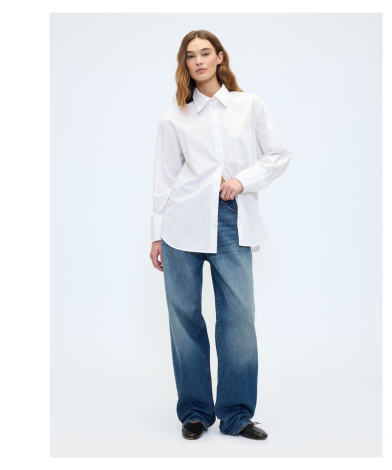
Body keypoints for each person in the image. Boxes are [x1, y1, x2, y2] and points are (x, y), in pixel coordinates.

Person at [149, 30, 291, 440]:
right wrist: (157, 235)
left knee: (238, 319)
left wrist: (243, 181)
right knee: (184, 318)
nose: (198, 61)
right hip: (182, 224)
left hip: (231, 220)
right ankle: (195, 412)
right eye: (190, 55)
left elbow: (277, 155)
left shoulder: (250, 106)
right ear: (185, 63)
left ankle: (237, 415)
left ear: (219, 57)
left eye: (205, 53)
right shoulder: (174, 118)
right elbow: (164, 179)